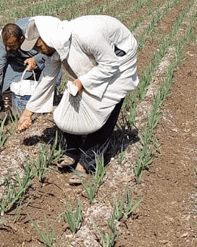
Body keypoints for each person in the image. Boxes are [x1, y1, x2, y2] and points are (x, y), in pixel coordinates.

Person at [16, 15, 138, 185]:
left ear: (47, 38)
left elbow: (110, 65)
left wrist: (84, 81)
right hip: (100, 62)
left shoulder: (85, 35)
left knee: (105, 107)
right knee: (72, 99)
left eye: (38, 45)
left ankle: (87, 163)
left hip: (120, 58)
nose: (38, 51)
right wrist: (28, 112)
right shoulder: (56, 45)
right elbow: (47, 78)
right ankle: (73, 151)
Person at [0, 20, 46, 116]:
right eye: (7, 46)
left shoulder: (35, 34)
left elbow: (52, 54)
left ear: (21, 39)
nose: (8, 49)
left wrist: (36, 59)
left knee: (47, 79)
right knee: (10, 72)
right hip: (20, 61)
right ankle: (8, 109)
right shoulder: (5, 41)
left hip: (44, 61)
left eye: (12, 45)